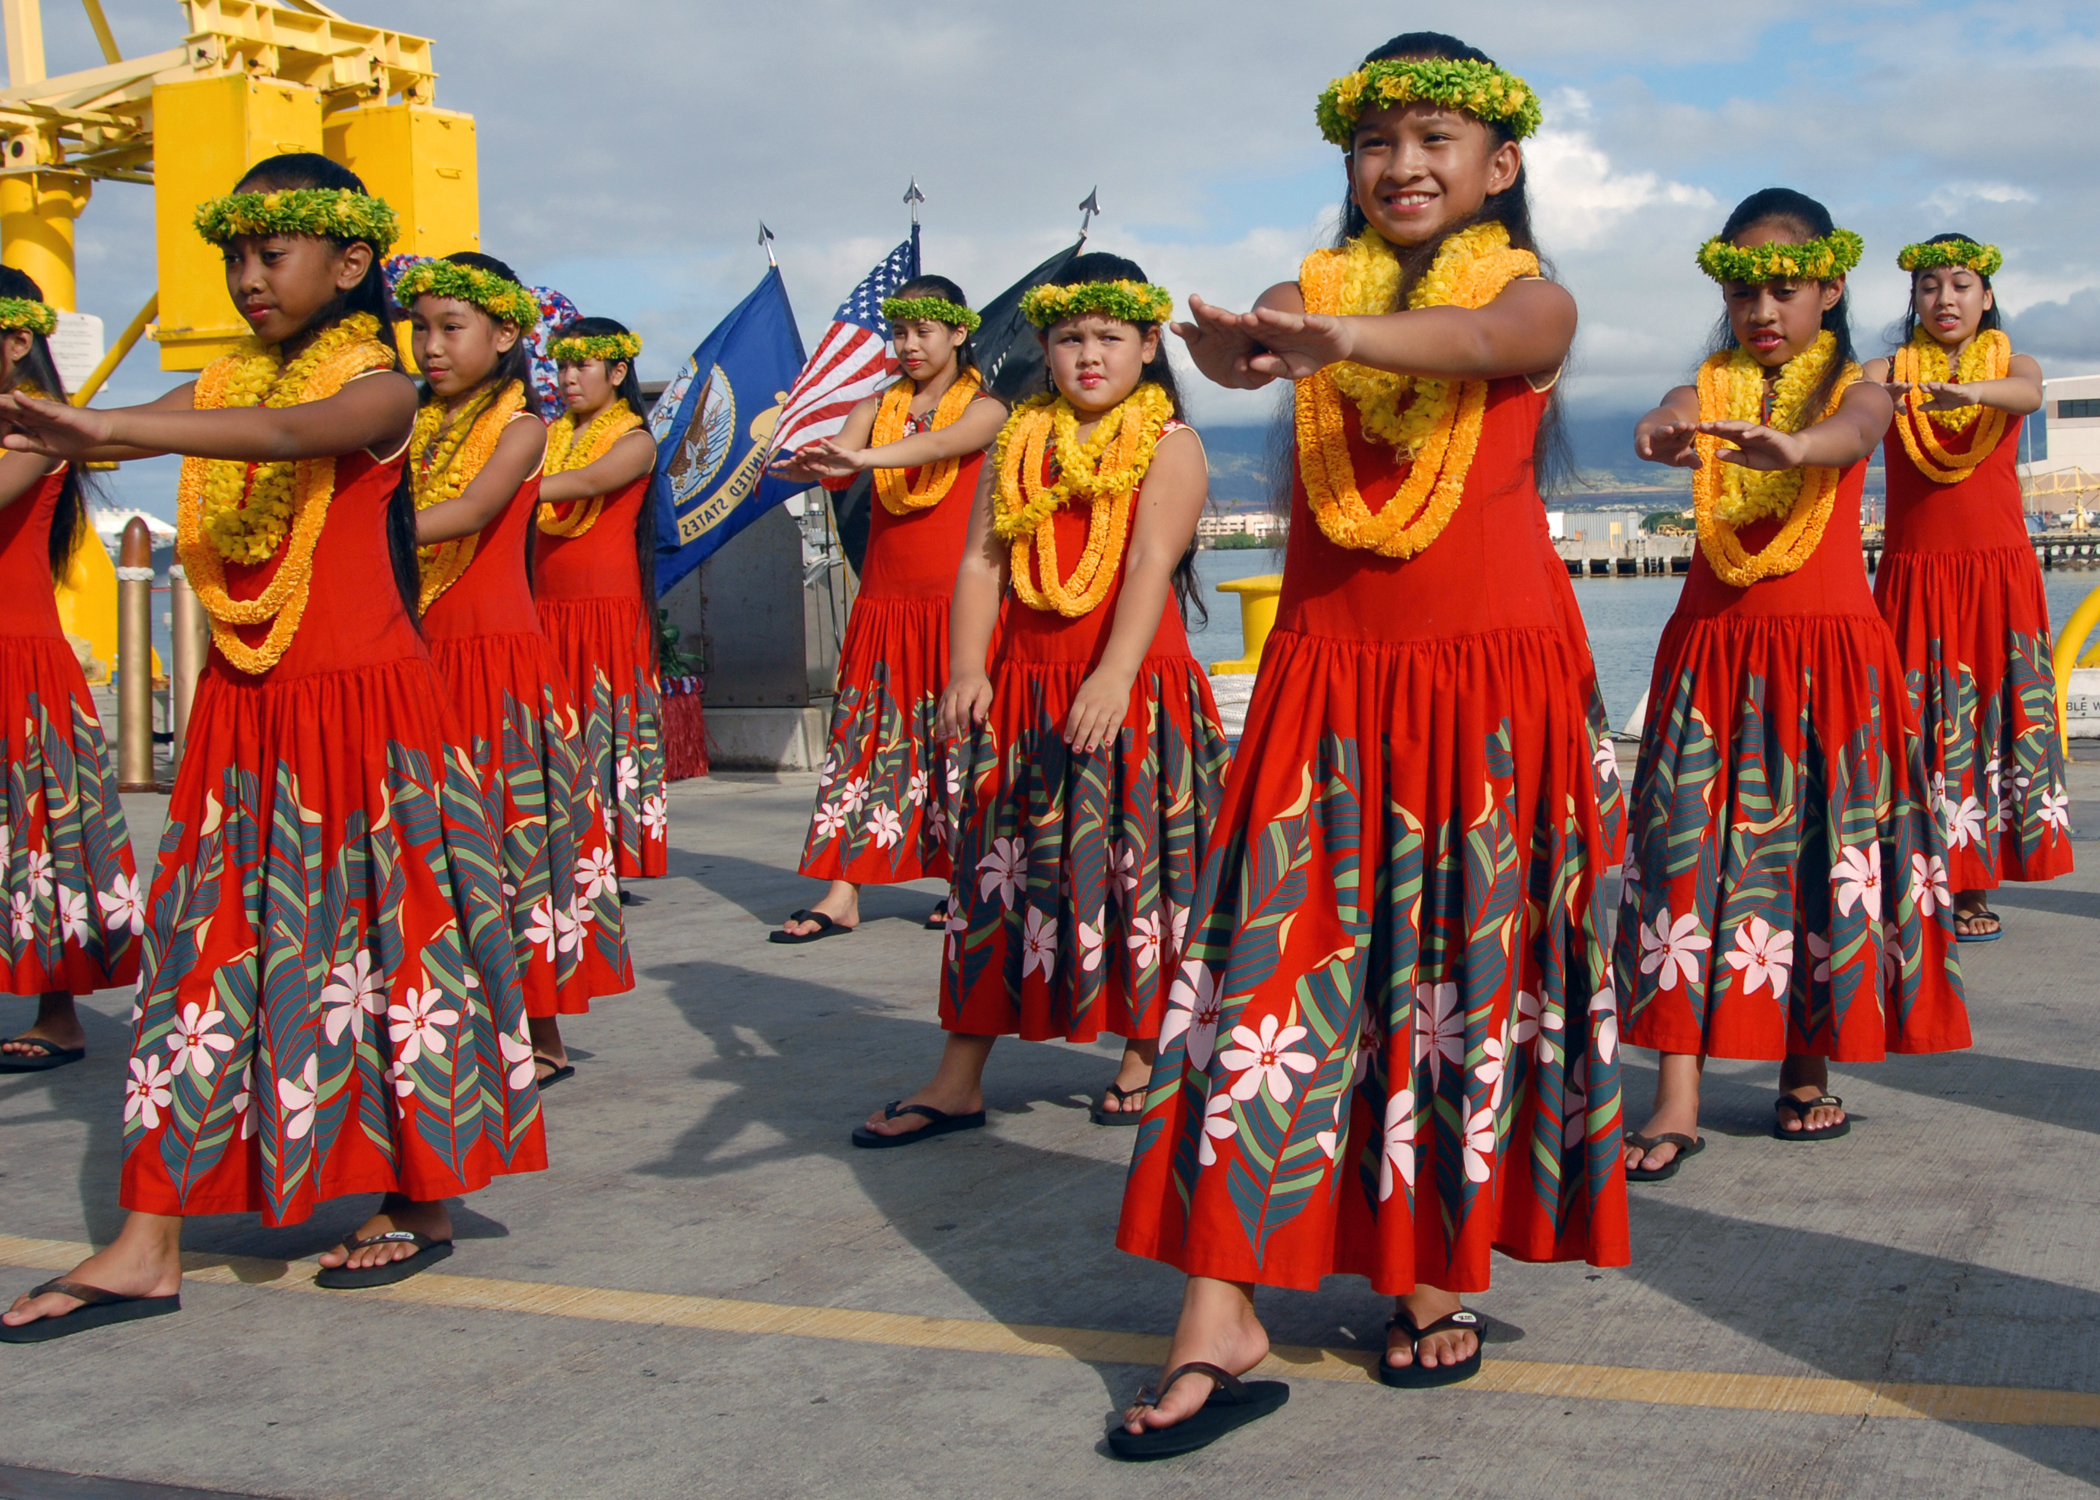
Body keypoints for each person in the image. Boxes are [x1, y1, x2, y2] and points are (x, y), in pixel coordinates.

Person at [1113, 34, 1626, 1458]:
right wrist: (1233, 352)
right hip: (1328, 679)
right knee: (1268, 968)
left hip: (1487, 686)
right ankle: (1221, 1305)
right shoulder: (1302, 291)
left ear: (1500, 164)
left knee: (1462, 964)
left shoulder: (1534, 297)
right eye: (1377, 142)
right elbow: (1254, 344)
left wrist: (1341, 348)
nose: (1402, 166)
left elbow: (1483, 347)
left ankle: (1432, 1261)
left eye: (1436, 140)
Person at [0, 154, 543, 1343]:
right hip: (246, 713)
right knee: (201, 966)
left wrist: (99, 422)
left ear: (350, 262)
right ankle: (147, 1243)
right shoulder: (220, 378)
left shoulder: (384, 387)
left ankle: (423, 1192)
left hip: (367, 713)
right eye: (234, 255)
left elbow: (297, 429)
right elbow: (170, 432)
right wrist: (84, 426)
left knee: (394, 948)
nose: (248, 276)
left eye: (272, 252)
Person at [1615, 189, 1969, 1185]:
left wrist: (1795, 449)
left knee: (1817, 851)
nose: (1762, 310)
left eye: (1784, 287)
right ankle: (1675, 1095)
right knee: (1686, 859)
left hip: (1827, 656)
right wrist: (1660, 426)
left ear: (1832, 285)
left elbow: (1856, 432)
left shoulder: (1858, 382)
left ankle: (1804, 1067)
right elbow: (1680, 412)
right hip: (1713, 651)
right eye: (1741, 291)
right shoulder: (1713, 383)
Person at [854, 254, 1225, 1144]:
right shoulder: (1018, 439)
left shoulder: (1171, 443)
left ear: (1147, 344)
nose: (1088, 356)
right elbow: (980, 560)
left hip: (1131, 686)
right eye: (1068, 339)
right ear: (1045, 349)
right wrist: (967, 668)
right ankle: (958, 1078)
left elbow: (1146, 565)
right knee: (996, 879)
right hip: (1021, 691)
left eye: (1108, 337)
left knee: (1141, 880)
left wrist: (1111, 674)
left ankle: (1145, 1051)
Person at [401, 252, 633, 1083]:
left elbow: (470, 510)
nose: (431, 346)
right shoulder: (410, 424)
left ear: (504, 335)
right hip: (418, 654)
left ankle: (541, 1032)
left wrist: (345, 541)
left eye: (450, 327)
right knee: (435, 846)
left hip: (494, 663)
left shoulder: (523, 427)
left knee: (513, 843)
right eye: (419, 327)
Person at [769, 277, 1007, 942]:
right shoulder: (877, 405)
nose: (908, 344)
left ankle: (967, 875)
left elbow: (936, 447)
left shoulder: (987, 409)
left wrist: (860, 455)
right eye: (899, 332)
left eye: (923, 330)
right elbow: (843, 464)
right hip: (885, 601)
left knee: (962, 739)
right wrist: (816, 463)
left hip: (958, 605)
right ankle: (844, 889)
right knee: (864, 742)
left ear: (959, 332)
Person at [1865, 234, 2069, 940]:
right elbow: (1849, 408)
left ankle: (1974, 886)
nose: (1944, 299)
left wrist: (1969, 391)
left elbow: (2029, 394)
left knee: (1986, 723)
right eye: (1928, 286)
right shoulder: (1886, 370)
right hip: (1916, 574)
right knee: (1920, 727)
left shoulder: (2014, 365)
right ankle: (1915, 880)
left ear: (1986, 296)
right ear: (1912, 298)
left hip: (1997, 575)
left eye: (1960, 284)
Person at [0, 269, 141, 1074]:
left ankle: (59, 1013)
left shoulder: (33, 441)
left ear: (18, 342)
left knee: (41, 835)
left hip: (18, 653)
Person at [535, 319, 667, 884]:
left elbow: (587, 483)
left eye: (581, 366)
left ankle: (606, 858)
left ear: (617, 372)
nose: (568, 378)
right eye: (562, 366)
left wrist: (494, 488)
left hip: (607, 613)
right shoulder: (545, 436)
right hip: (544, 608)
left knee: (603, 731)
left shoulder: (635, 440)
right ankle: (553, 850)